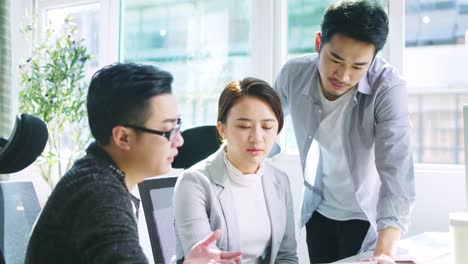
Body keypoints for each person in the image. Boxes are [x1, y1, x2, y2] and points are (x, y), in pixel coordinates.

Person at [25, 63, 241, 264]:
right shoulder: (100, 197)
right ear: (123, 138)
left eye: (179, 125)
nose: (180, 140)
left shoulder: (97, 176)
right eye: (168, 130)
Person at [274, 1, 415, 263]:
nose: (344, 75)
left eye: (358, 66)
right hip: (318, 210)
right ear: (318, 43)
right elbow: (265, 128)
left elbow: (397, 172)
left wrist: (384, 253)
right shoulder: (293, 74)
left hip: (367, 219)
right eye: (335, 59)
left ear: (372, 61)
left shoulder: (388, 88)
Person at [173, 77, 298, 264]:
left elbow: (286, 256)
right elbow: (207, 260)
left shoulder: (279, 180)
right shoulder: (193, 183)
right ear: (222, 129)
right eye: (244, 126)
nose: (257, 138)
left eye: (267, 127)